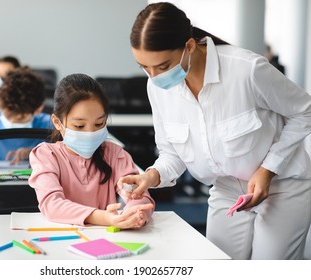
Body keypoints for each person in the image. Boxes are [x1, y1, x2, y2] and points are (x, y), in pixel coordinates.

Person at [118, 2, 311, 259]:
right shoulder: (157, 88)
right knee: (219, 264)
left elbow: (304, 111)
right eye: (144, 67)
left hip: (283, 184)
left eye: (163, 66)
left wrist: (268, 169)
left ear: (188, 46)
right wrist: (149, 178)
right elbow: (172, 154)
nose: (154, 77)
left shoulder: (247, 70)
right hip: (226, 187)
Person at [28, 73, 155, 228]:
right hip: (62, 237)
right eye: (79, 126)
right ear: (57, 122)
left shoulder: (115, 154)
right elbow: (52, 205)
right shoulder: (46, 155)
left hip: (105, 239)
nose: (90, 133)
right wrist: (104, 218)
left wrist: (136, 213)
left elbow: (138, 196)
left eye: (99, 124)